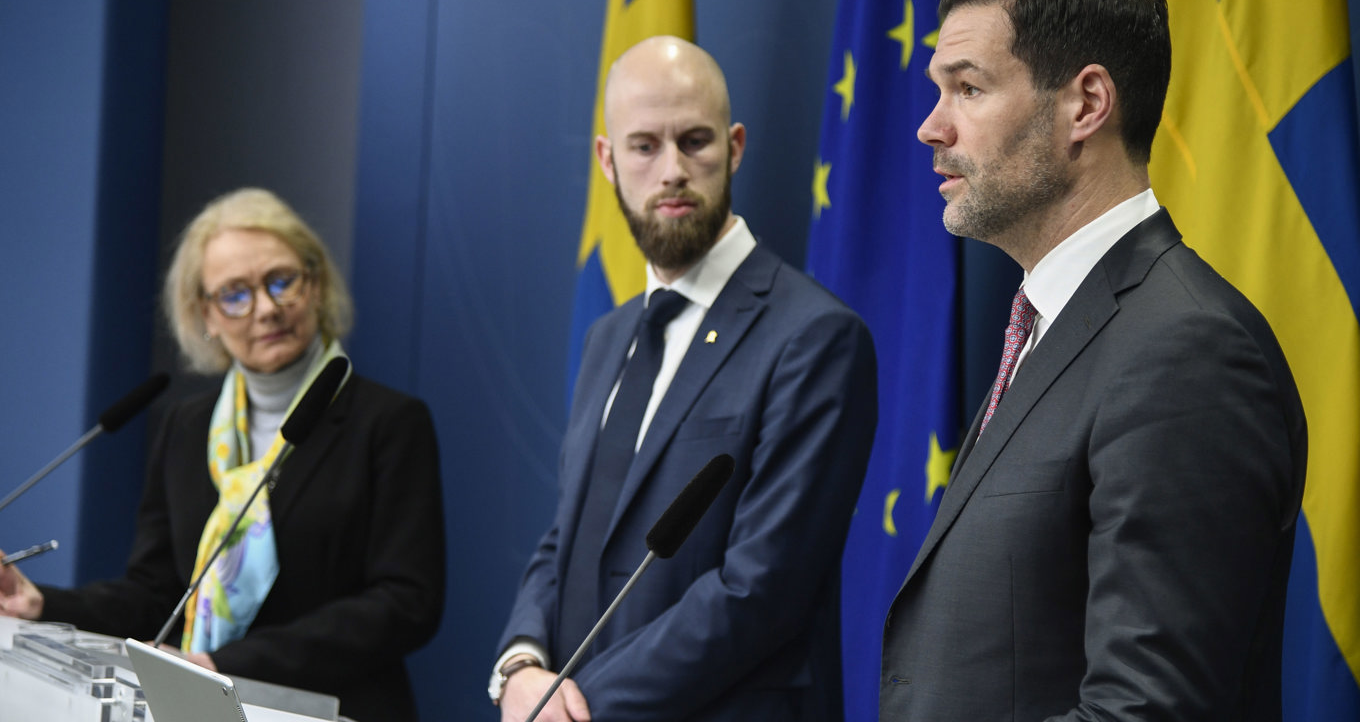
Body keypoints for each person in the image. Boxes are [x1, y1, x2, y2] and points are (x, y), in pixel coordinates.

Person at [879, 0, 1307, 720]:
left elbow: (1147, 709)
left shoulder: (1188, 352)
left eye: (967, 89)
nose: (929, 128)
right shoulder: (1053, 327)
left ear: (1086, 105)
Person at [490, 36, 877, 722]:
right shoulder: (608, 337)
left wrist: (573, 705)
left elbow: (762, 589)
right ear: (608, 159)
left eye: (694, 141)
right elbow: (569, 535)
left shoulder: (815, 337)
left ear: (734, 146)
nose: (672, 169)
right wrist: (521, 662)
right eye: (644, 146)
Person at [0, 188, 445, 722]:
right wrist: (40, 604)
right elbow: (157, 592)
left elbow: (405, 603)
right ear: (205, 314)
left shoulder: (388, 421)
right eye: (235, 294)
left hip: (336, 711)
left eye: (282, 281)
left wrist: (222, 664)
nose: (265, 308)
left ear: (317, 284)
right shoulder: (186, 428)